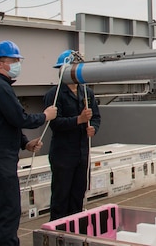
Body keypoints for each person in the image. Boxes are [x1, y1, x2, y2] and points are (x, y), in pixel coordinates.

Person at [0, 40, 57, 246]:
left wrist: (25, 144)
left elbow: (7, 123)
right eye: (14, 60)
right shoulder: (0, 87)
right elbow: (20, 119)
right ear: (0, 63)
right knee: (8, 212)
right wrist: (45, 116)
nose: (18, 64)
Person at [43, 49, 101, 221]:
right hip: (63, 154)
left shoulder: (87, 93)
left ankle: (75, 229)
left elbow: (96, 117)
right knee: (61, 196)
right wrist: (79, 120)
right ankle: (58, 231)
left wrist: (94, 128)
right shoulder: (53, 95)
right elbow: (55, 123)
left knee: (78, 193)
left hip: (82, 153)